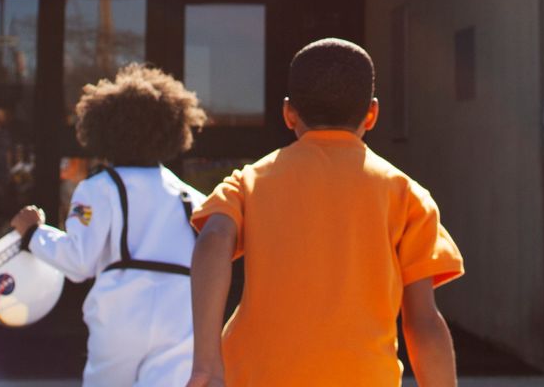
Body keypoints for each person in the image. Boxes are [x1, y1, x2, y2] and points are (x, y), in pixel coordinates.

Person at [186, 38, 463, 387]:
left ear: (289, 113)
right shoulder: (407, 195)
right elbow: (423, 322)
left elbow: (213, 239)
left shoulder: (250, 181)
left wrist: (206, 364)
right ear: (372, 114)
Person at [10, 63, 209, 387]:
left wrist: (33, 232)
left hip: (122, 314)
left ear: (104, 130)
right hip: (182, 314)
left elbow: (79, 262)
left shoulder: (99, 188)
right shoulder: (192, 198)